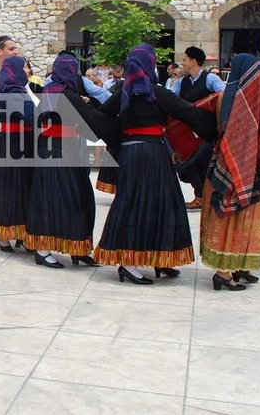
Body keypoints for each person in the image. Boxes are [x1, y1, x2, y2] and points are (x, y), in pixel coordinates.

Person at [92, 44, 217, 283]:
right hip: (154, 153)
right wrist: (216, 126)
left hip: (131, 154)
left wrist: (119, 139)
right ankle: (132, 263)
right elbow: (189, 113)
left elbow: (101, 116)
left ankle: (157, 258)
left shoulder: (123, 92)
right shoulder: (156, 92)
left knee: (135, 203)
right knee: (163, 203)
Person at [197, 56, 260, 291]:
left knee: (230, 218)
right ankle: (224, 272)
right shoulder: (258, 103)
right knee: (241, 220)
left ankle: (238, 266)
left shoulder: (223, 98)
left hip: (223, 169)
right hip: (248, 171)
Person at [25, 53, 108, 268]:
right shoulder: (68, 95)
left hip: (49, 152)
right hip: (64, 152)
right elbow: (91, 119)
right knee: (73, 200)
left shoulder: (48, 93)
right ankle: (45, 250)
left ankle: (75, 248)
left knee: (61, 199)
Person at [0, 56, 37, 252]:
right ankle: (5, 236)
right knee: (10, 189)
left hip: (21, 145)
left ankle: (20, 234)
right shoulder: (13, 92)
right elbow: (31, 116)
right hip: (12, 145)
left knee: (22, 188)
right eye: (24, 67)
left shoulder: (17, 89)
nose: (27, 71)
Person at [170, 46, 227, 208]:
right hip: (188, 133)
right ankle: (201, 196)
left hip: (206, 131)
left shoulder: (211, 79)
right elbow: (171, 97)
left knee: (196, 164)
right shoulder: (182, 82)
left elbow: (223, 96)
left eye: (185, 59)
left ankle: (202, 196)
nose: (182, 63)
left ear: (194, 61)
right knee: (186, 165)